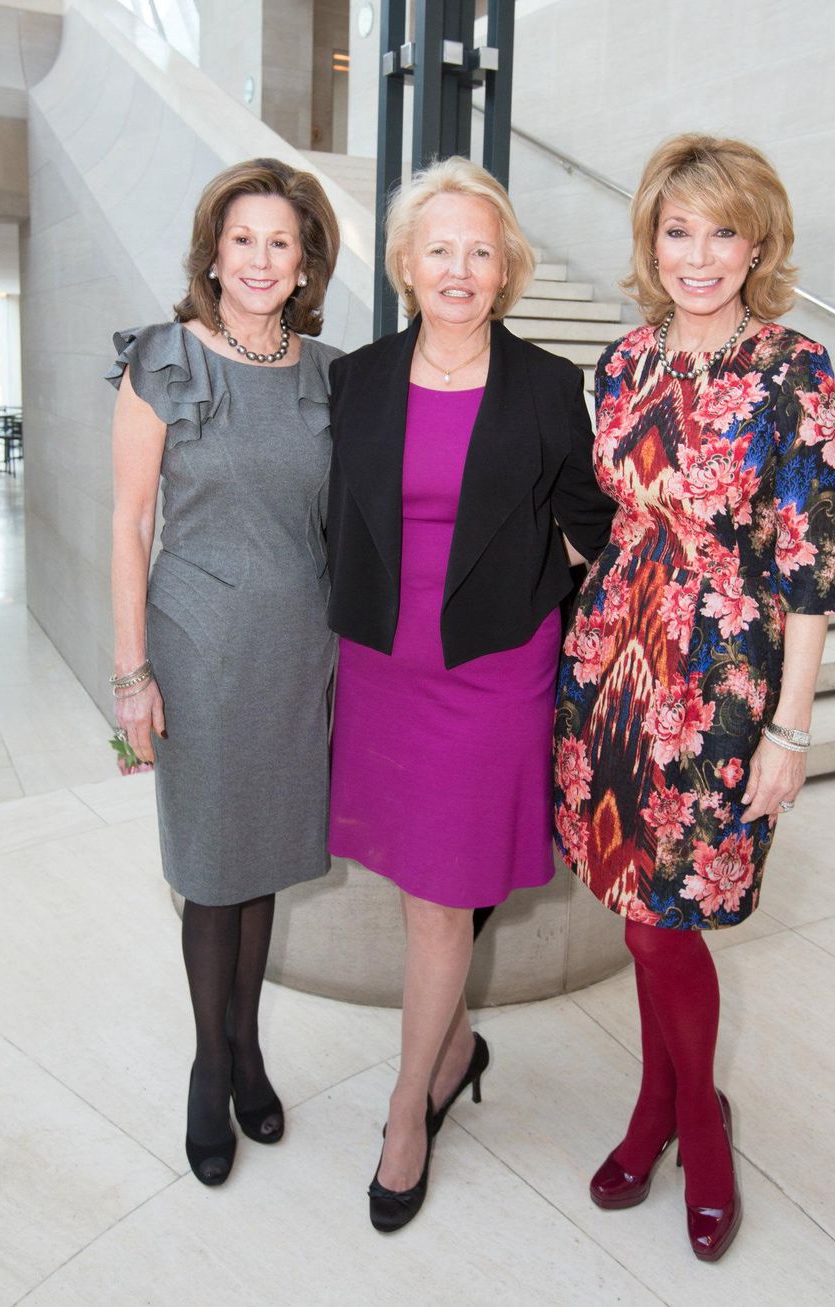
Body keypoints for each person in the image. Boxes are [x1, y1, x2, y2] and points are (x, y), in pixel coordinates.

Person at [554, 134, 835, 1261]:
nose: (697, 253)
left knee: (667, 923)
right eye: (677, 229)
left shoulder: (794, 370)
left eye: (721, 229)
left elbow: (808, 565)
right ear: (649, 238)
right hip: (607, 672)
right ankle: (666, 1106)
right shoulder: (618, 365)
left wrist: (789, 726)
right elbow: (603, 526)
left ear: (758, 241)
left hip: (719, 685)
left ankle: (691, 1127)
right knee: (639, 916)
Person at [326, 156, 615, 1232]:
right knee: (419, 888)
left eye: (478, 250)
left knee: (444, 890)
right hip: (381, 668)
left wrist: (559, 597)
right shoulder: (354, 379)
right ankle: (451, 1045)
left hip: (494, 667)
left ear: (505, 270)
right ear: (405, 263)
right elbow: (325, 519)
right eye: (438, 247)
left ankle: (410, 1106)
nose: (458, 267)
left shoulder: (545, 385)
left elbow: (592, 514)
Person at [107, 158, 341, 1186]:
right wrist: (131, 675)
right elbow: (127, 521)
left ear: (303, 263)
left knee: (261, 861)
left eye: (279, 242)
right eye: (241, 239)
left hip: (298, 651)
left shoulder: (328, 373)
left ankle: (247, 1045)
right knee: (211, 868)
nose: (258, 258)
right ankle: (213, 1063)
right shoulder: (165, 360)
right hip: (198, 649)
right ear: (212, 251)